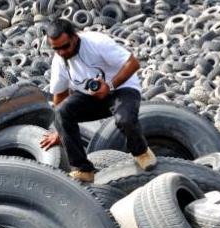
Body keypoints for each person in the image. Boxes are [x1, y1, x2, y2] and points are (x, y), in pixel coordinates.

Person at [40, 18, 156, 182]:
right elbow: (60, 95)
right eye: (56, 49)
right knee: (61, 112)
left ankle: (141, 152)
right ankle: (83, 169)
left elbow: (133, 63)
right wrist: (61, 130)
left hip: (122, 89)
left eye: (65, 46)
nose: (61, 52)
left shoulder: (96, 42)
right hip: (91, 97)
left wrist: (109, 86)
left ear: (75, 37)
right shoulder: (59, 60)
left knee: (125, 120)